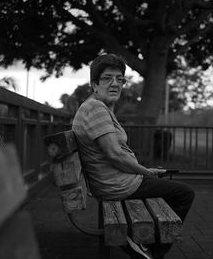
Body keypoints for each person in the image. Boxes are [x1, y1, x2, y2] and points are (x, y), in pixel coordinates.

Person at [72, 53, 195, 259]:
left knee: (175, 192)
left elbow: (115, 154)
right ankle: (149, 250)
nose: (115, 84)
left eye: (120, 79)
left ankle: (145, 244)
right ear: (94, 84)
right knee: (184, 194)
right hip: (117, 186)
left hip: (116, 181)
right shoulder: (95, 109)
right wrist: (145, 172)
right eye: (108, 78)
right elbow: (114, 155)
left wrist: (145, 173)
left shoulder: (97, 107)